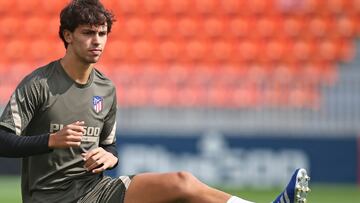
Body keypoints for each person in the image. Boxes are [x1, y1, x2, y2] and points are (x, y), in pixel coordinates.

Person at [0, 0, 310, 203]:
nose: (97, 41)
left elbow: (110, 147)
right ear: (67, 36)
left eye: (103, 33)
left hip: (95, 191)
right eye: (88, 33)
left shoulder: (106, 88)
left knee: (182, 182)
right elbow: (3, 140)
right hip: (52, 198)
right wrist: (51, 140)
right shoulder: (39, 84)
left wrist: (110, 158)